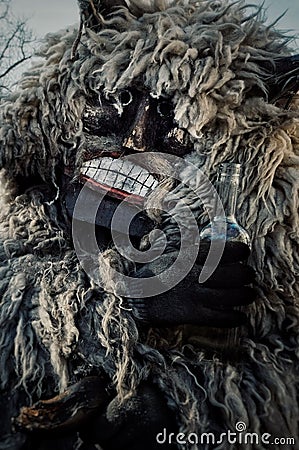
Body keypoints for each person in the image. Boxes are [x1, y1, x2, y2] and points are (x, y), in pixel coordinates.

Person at [0, 1, 299, 449]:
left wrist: (193, 406)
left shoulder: (247, 256)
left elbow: (279, 361)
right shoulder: (24, 225)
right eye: (113, 106)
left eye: (174, 125)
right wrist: (121, 303)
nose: (136, 139)